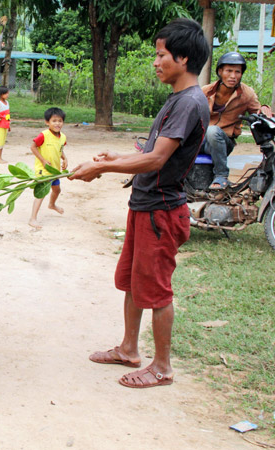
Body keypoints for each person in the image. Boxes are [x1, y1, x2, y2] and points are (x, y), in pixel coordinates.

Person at [69, 18, 210, 388]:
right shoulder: (178, 100)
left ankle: (161, 367)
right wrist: (112, 157)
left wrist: (103, 169)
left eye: (160, 54)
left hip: (161, 213)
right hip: (145, 206)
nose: (155, 61)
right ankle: (129, 348)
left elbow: (156, 160)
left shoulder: (189, 102)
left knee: (157, 289)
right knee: (133, 281)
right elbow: (151, 153)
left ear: (182, 57)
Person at [202, 52, 265, 190]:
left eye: (237, 72)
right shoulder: (205, 92)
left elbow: (258, 111)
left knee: (213, 131)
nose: (233, 76)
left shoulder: (246, 94)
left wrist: (264, 111)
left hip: (225, 142)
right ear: (220, 72)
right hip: (202, 141)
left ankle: (221, 176)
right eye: (229, 71)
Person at [28, 107, 68, 229]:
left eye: (60, 121)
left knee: (57, 190)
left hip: (55, 171)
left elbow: (60, 149)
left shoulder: (63, 137)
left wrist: (65, 159)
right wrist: (43, 160)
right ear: (47, 122)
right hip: (43, 170)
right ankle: (32, 218)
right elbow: (33, 147)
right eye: (54, 121)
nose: (57, 123)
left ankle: (52, 204)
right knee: (41, 193)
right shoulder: (43, 135)